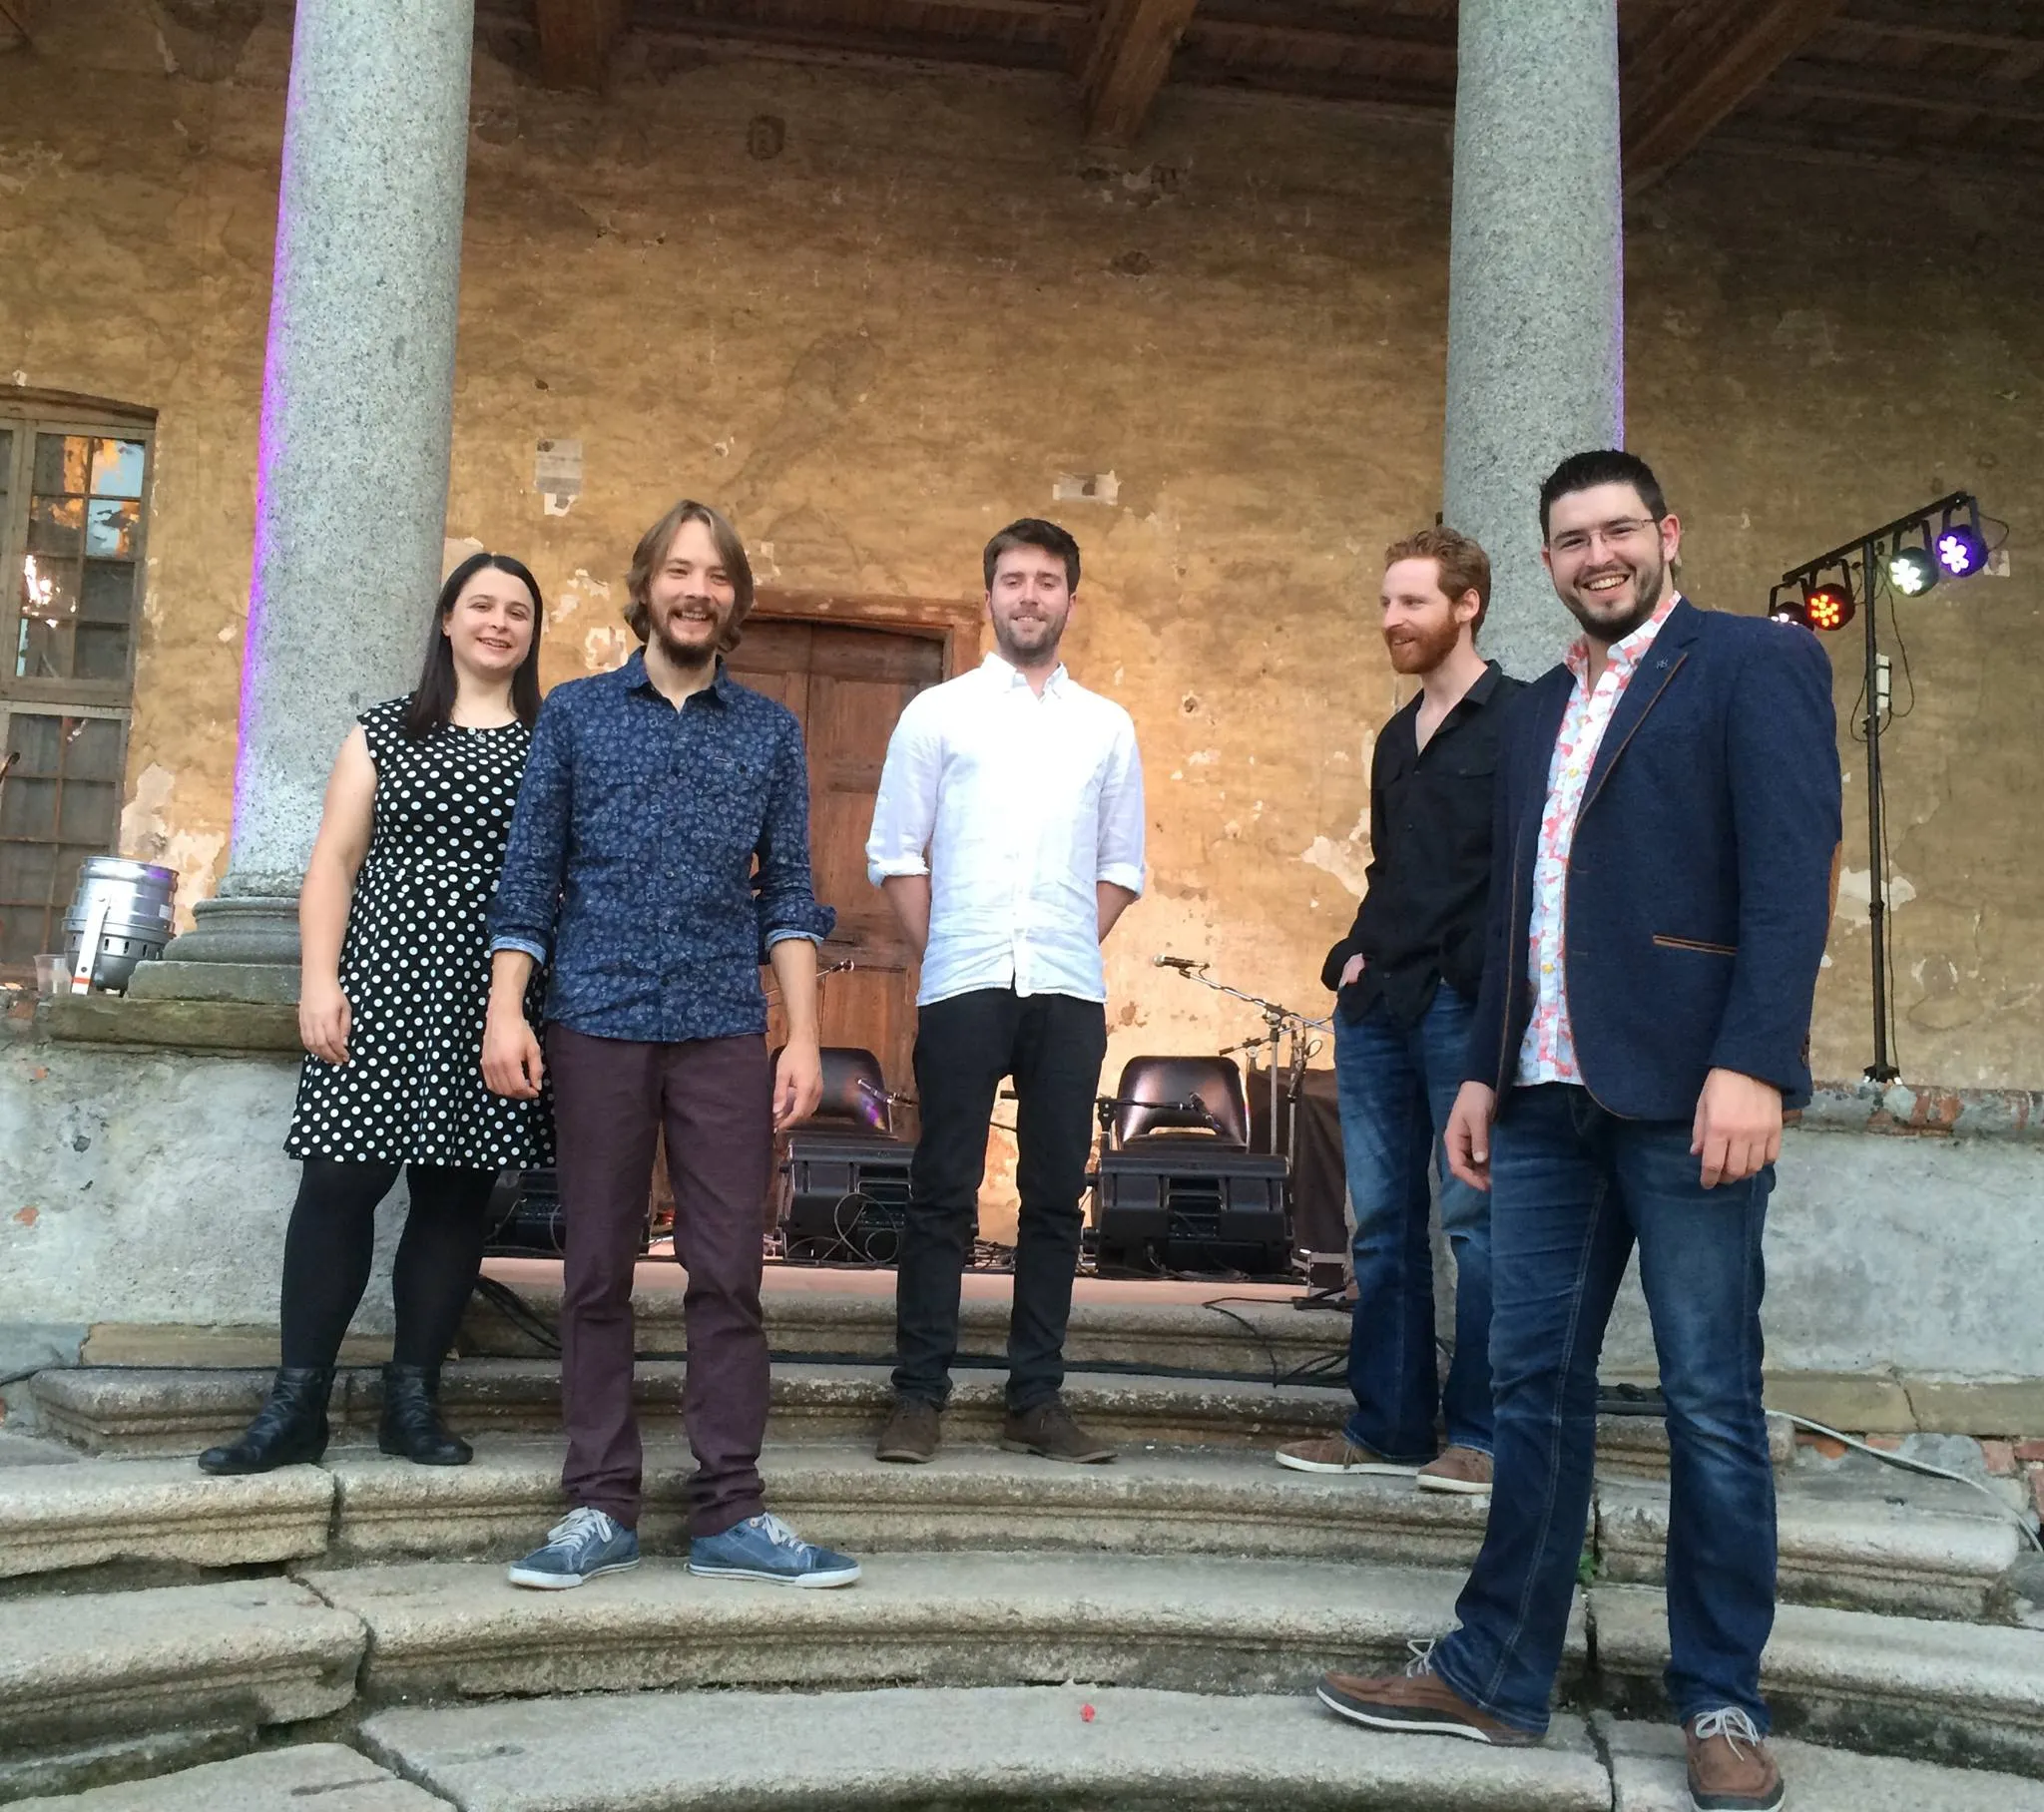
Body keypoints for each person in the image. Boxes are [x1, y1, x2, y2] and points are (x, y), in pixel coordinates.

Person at [1315, 451, 1840, 1812]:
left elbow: (1790, 881)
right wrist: (1484, 1069)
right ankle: (1496, 1669)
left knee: (1710, 1403)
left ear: (1667, 533)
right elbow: (1516, 914)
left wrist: (1754, 1063)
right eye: (1570, 539)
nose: (1597, 555)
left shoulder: (1752, 665)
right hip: (1540, 1102)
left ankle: (1721, 1695)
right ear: (1543, 561)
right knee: (1528, 1390)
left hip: (1689, 1102)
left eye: (1619, 531)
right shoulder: (1538, 709)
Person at [483, 498, 859, 1591]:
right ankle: (598, 1502)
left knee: (728, 1271)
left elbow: (788, 890)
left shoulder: (770, 732)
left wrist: (804, 1037)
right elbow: (529, 874)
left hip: (718, 1027)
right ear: (646, 585)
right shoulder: (576, 715)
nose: (697, 589)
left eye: (717, 575)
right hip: (592, 1015)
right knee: (594, 1266)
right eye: (678, 570)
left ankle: (729, 1510)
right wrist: (507, 1006)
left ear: (733, 600)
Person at [200, 552, 553, 1477]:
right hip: (383, 981)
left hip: (495, 994)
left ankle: (412, 1401)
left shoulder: (553, 740)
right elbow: (335, 861)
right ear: (446, 620)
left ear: (531, 632)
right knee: (340, 1184)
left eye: (518, 610)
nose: (499, 622)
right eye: (481, 604)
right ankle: (296, 1404)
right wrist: (321, 981)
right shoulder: (384, 730)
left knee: (453, 1195)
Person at [865, 518, 1145, 1467]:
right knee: (941, 1188)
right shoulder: (939, 714)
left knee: (1056, 1196)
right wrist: (945, 950)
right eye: (1014, 580)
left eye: (1048, 581)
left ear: (1072, 597)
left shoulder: (1106, 726)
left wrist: (1064, 938)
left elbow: (1120, 865)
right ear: (988, 595)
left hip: (1067, 985)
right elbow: (897, 852)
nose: (1030, 596)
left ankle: (1038, 1395)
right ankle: (918, 1394)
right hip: (963, 977)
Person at [1277, 528, 1519, 1497]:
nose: (1390, 619)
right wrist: (1350, 956)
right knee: (1379, 1222)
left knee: (1476, 1224)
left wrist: (1486, 992)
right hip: (1377, 1002)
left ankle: (1482, 1433)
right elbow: (1392, 870)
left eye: (1410, 602)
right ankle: (1384, 1423)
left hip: (1460, 1006)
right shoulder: (1393, 736)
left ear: (1464, 604)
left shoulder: (1519, 721)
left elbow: (1518, 880)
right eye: (1384, 602)